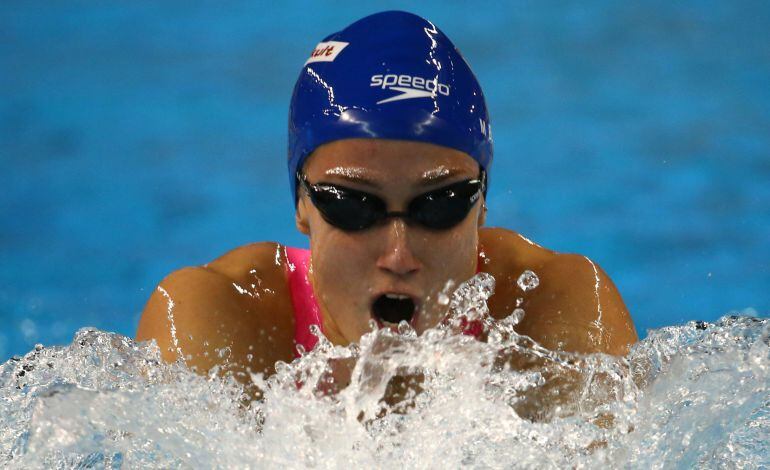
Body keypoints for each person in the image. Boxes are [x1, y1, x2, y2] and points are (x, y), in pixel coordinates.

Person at [136, 11, 637, 385]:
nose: (399, 255)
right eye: (353, 206)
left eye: (440, 205)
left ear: (481, 204)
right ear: (302, 206)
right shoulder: (217, 315)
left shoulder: (551, 309)